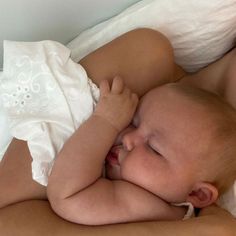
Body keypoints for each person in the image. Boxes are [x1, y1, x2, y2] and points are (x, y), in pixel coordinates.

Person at [0, 28, 235, 234]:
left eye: (154, 149)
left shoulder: (146, 205)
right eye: (133, 122)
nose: (127, 137)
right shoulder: (172, 196)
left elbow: (68, 193)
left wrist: (105, 122)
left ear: (199, 196)